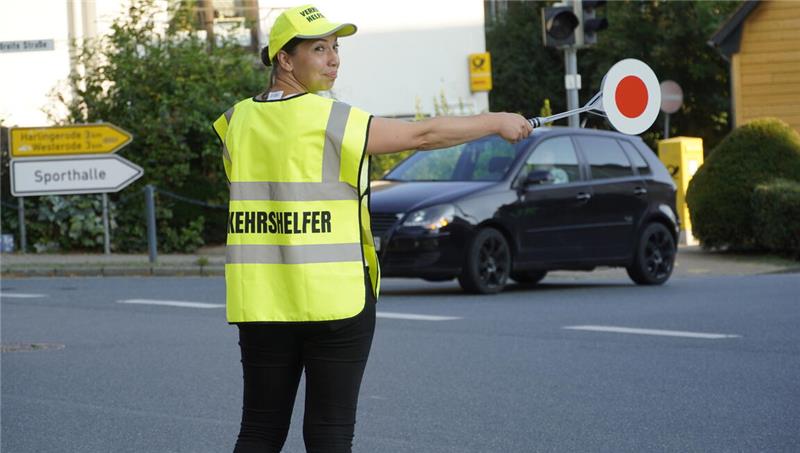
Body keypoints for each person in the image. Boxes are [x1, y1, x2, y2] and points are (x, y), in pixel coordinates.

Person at [212, 4, 532, 452]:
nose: (334, 59)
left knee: (260, 431)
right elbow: (423, 136)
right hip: (336, 300)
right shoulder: (334, 119)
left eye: (336, 48)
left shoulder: (235, 122)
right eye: (319, 48)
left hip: (261, 302)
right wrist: (496, 122)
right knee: (329, 433)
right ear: (284, 59)